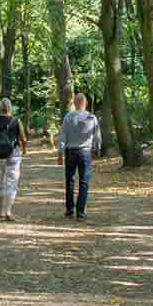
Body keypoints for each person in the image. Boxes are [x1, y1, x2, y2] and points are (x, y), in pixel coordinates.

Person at [57, 90, 104, 219]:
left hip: (70, 152)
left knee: (70, 181)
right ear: (86, 103)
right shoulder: (91, 117)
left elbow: (63, 136)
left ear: (75, 103)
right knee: (84, 182)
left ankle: (69, 210)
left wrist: (60, 153)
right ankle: (81, 211)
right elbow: (97, 136)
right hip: (85, 152)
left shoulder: (68, 117)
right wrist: (97, 148)